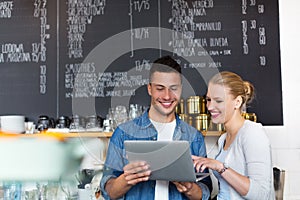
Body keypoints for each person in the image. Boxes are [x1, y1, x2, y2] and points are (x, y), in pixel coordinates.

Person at [100, 55, 212, 200]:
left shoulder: (194, 137)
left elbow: (205, 192)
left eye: (174, 89)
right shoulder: (123, 134)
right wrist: (125, 180)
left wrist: (190, 188)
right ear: (150, 89)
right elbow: (108, 192)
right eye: (160, 88)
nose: (167, 96)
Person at [193, 71, 275, 200]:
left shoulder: (252, 133)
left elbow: (262, 194)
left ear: (237, 102)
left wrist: (220, 167)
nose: (210, 106)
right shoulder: (223, 139)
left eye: (218, 101)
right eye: (208, 100)